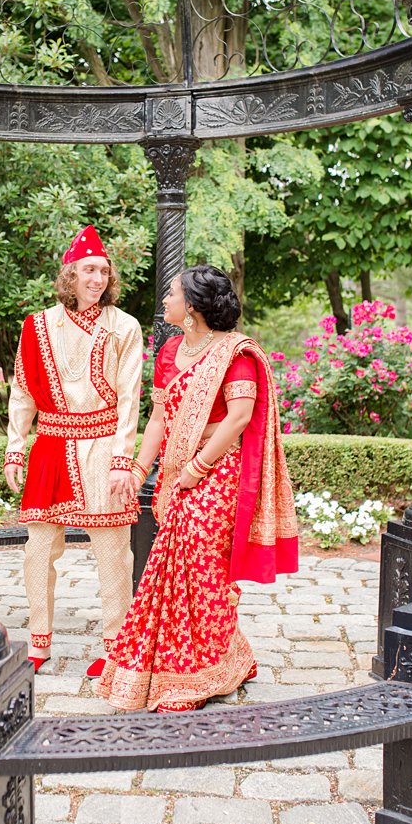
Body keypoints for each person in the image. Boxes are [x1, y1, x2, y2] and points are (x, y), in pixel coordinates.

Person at [97, 264, 298, 712]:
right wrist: (136, 468)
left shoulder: (235, 354)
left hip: (217, 472)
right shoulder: (170, 350)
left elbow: (240, 416)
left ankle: (203, 671)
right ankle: (205, 660)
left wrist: (198, 466)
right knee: (172, 570)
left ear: (192, 307)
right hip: (176, 472)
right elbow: (158, 418)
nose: (164, 302)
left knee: (201, 563)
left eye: (171, 295)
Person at [5, 226, 144, 676]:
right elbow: (23, 392)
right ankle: (39, 642)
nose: (97, 279)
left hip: (104, 446)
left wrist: (125, 458)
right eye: (89, 270)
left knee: (112, 552)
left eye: (104, 271)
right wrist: (15, 448)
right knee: (38, 550)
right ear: (71, 274)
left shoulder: (124, 326)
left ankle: (115, 644)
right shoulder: (38, 324)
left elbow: (129, 397)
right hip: (52, 445)